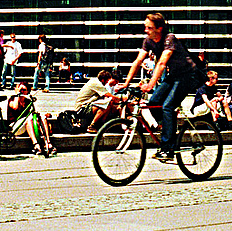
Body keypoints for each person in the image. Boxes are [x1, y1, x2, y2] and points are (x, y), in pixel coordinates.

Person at [119, 12, 201, 163]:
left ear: (159, 28)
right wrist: (126, 83)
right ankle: (170, 132)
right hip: (174, 75)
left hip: (188, 76)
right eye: (145, 27)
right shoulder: (148, 41)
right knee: (153, 104)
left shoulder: (170, 39)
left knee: (168, 107)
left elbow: (162, 63)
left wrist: (150, 84)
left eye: (149, 28)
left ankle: (168, 149)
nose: (146, 30)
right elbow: (138, 61)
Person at [7, 82, 57, 156]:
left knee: (42, 117)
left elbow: (34, 113)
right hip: (14, 127)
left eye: (24, 90)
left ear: (27, 91)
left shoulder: (27, 101)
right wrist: (17, 95)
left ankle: (48, 143)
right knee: (29, 118)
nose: (21, 91)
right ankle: (36, 144)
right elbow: (15, 107)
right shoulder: (13, 99)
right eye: (20, 89)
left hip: (26, 126)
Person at [74, 69, 120, 133]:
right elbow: (109, 96)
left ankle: (101, 125)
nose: (107, 83)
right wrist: (120, 99)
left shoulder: (94, 81)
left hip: (85, 106)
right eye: (107, 81)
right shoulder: (97, 84)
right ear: (103, 80)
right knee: (106, 105)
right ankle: (92, 126)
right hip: (81, 109)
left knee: (107, 104)